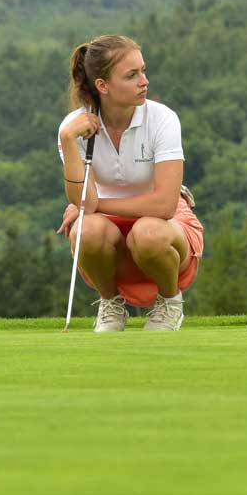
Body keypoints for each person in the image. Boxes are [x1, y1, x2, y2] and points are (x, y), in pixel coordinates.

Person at [57, 34, 204, 332]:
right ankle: (111, 305)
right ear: (103, 86)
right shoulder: (73, 127)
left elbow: (163, 205)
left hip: (165, 228)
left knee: (147, 231)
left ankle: (169, 302)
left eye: (143, 71)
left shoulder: (162, 119)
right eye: (132, 75)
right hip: (110, 232)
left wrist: (94, 205)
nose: (144, 81)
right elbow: (84, 202)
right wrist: (67, 141)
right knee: (87, 229)